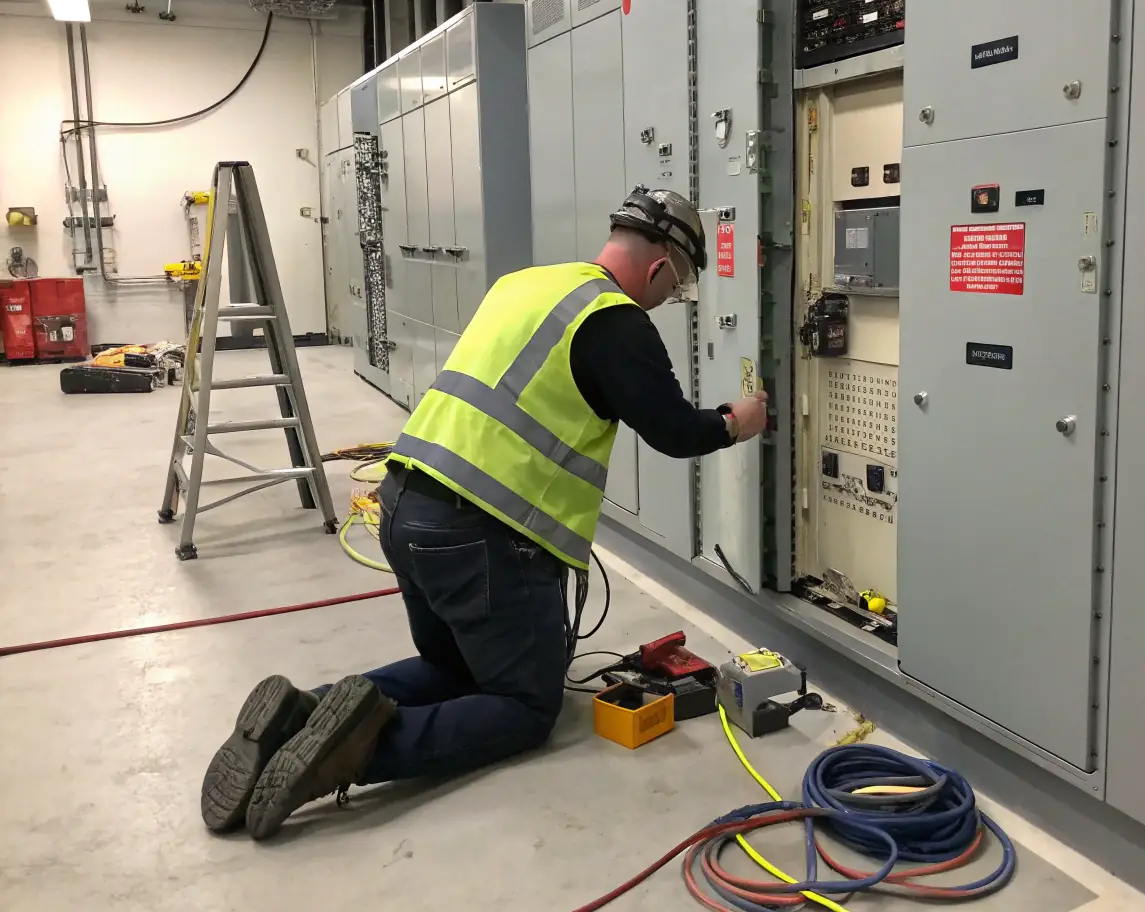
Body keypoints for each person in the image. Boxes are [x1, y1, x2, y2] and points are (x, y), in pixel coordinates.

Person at [201, 189, 769, 839]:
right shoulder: (615, 321)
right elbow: (674, 431)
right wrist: (738, 421)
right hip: (479, 535)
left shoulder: (525, 285)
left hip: (403, 507)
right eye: (680, 284)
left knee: (453, 670)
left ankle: (299, 718)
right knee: (524, 705)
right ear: (660, 264)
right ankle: (349, 752)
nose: (671, 297)